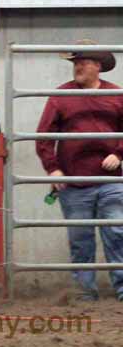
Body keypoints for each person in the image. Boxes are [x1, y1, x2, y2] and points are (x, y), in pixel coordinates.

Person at [36, 39, 123, 302]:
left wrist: (118, 155)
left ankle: (122, 288)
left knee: (117, 233)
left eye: (83, 62)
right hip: (74, 180)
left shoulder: (117, 95)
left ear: (97, 66)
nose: (78, 67)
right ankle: (85, 292)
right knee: (80, 238)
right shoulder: (61, 96)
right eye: (75, 63)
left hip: (111, 180)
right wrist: (53, 169)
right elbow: (43, 136)